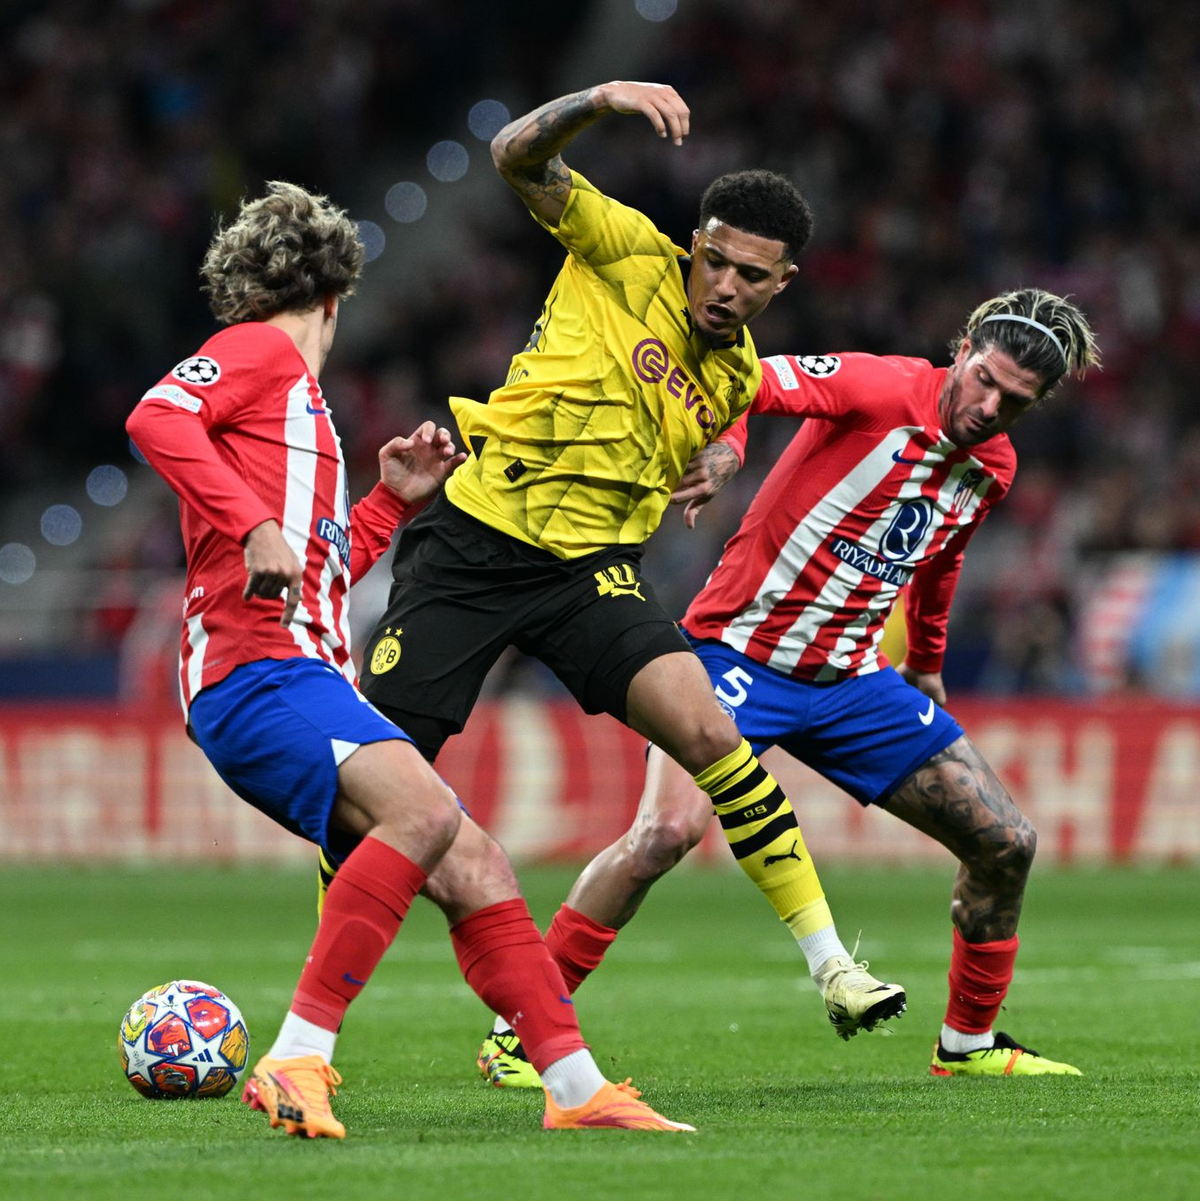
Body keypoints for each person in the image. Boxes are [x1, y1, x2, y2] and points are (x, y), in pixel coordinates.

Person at [327, 80, 905, 1082]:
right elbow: (514, 155)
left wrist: (724, 455)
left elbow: (725, 406)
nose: (721, 285)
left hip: (589, 574)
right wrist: (598, 98)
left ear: (782, 283)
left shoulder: (735, 372)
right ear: (693, 245)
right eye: (713, 259)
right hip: (476, 540)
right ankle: (314, 1032)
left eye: (748, 275)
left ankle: (833, 968)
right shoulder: (625, 248)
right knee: (372, 794)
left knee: (714, 736)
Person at [125, 180, 694, 1138]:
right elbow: (155, 418)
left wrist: (392, 503)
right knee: (427, 812)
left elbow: (316, 565)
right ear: (337, 295)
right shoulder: (260, 350)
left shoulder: (295, 401)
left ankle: (575, 1089)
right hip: (255, 672)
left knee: (477, 863)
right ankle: (299, 1054)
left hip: (291, 670)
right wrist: (253, 521)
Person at [488, 287, 1100, 1084]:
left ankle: (968, 1045)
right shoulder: (876, 384)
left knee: (1006, 841)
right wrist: (730, 451)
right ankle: (516, 1033)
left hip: (853, 680)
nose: (988, 407)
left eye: (1013, 402)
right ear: (965, 346)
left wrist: (926, 660)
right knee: (664, 835)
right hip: (734, 657)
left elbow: (938, 559)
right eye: (983, 379)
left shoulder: (994, 466)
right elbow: (741, 379)